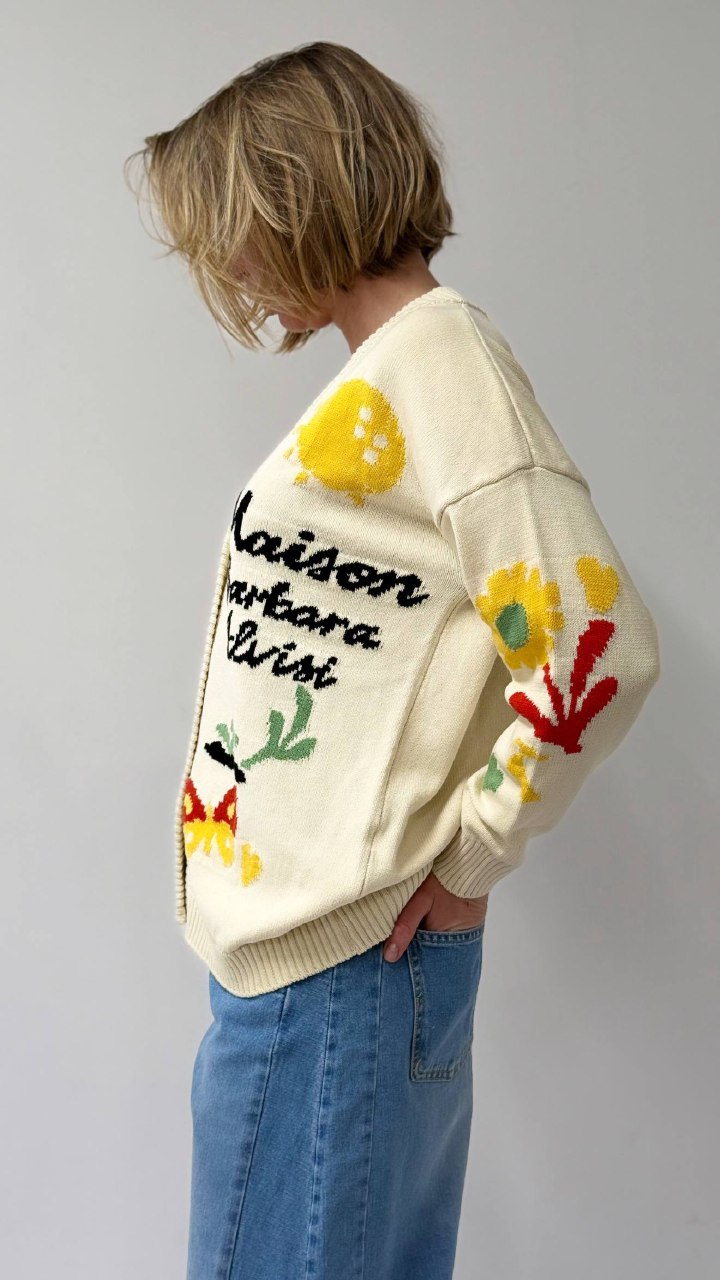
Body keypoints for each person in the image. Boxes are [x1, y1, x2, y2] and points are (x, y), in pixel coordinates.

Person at [125, 40, 661, 1280]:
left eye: (234, 229)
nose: (233, 270)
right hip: (316, 967)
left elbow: (598, 647)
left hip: (336, 968)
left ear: (297, 196)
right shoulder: (405, 374)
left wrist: (475, 849)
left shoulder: (443, 367)